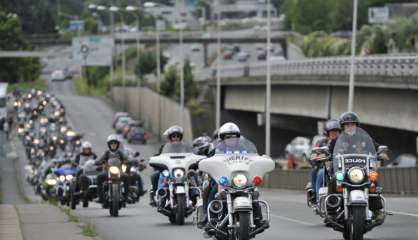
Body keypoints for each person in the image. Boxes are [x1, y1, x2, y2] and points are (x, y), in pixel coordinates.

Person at [330, 112, 389, 220]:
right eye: (347, 125)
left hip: (362, 169)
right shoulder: (337, 140)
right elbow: (328, 151)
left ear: (356, 125)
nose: (350, 127)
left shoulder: (365, 138)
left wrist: (382, 152)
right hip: (343, 170)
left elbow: (377, 146)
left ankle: (377, 209)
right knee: (334, 179)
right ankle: (332, 209)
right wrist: (321, 154)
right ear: (343, 127)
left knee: (373, 178)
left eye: (352, 124)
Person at [149, 125, 184, 206]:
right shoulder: (164, 147)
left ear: (180, 137)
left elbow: (191, 155)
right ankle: (155, 196)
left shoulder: (184, 147)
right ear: (170, 138)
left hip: (181, 170)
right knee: (154, 176)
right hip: (167, 170)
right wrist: (155, 159)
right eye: (173, 136)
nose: (176, 138)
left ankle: (197, 196)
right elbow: (159, 156)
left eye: (178, 136)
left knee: (193, 176)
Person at [309, 119, 341, 203]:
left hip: (339, 167)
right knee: (318, 172)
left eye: (337, 131)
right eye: (332, 131)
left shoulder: (343, 143)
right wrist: (316, 156)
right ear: (327, 133)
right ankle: (316, 196)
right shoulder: (321, 142)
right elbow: (313, 155)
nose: (335, 133)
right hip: (324, 167)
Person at [96, 134, 129, 204]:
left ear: (117, 145)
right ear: (109, 145)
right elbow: (101, 159)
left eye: (115, 143)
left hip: (119, 172)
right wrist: (98, 162)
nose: (113, 145)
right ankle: (100, 197)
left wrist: (130, 161)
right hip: (108, 171)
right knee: (99, 177)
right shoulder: (106, 153)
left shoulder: (120, 153)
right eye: (112, 143)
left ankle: (126, 196)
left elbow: (126, 159)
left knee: (126, 176)